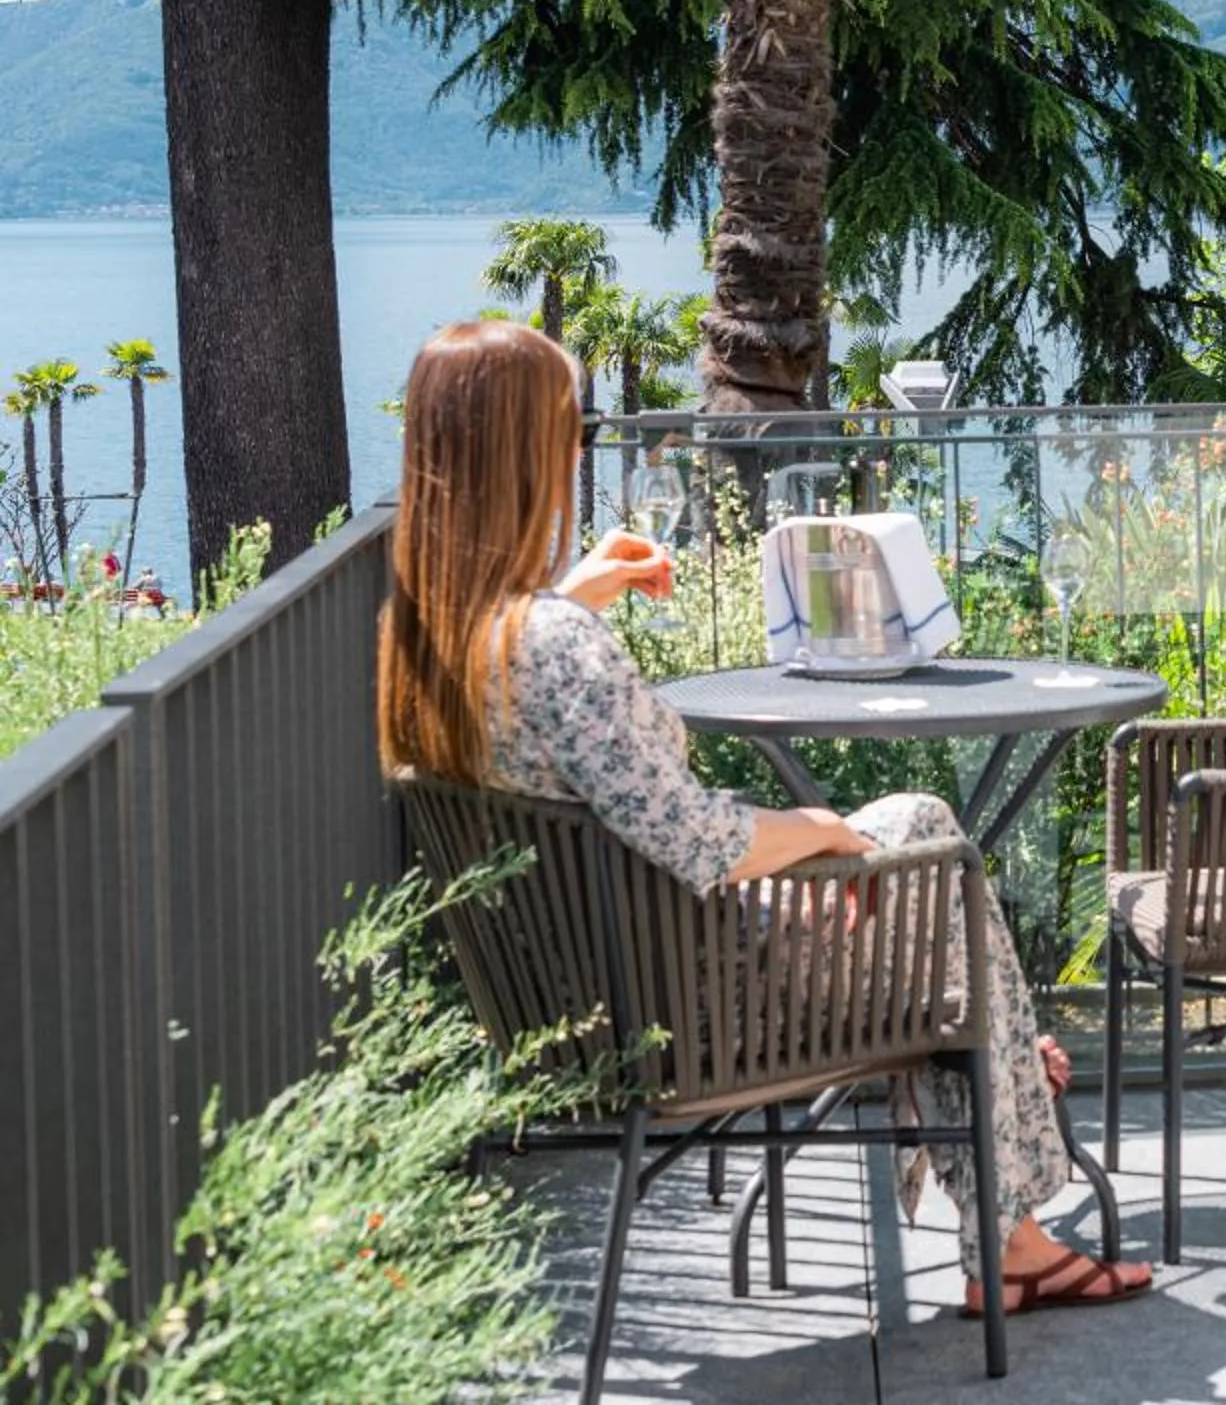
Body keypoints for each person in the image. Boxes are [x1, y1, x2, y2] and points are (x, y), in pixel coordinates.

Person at [374, 319, 1148, 1319]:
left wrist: (574, 589)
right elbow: (701, 837)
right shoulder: (557, 646)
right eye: (568, 427)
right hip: (697, 1019)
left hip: (600, 994)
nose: (578, 449)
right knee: (932, 851)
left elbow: (594, 772)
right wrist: (817, 826)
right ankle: (1011, 1188)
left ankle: (1008, 1091)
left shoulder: (433, 643)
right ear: (519, 450)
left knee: (928, 895)